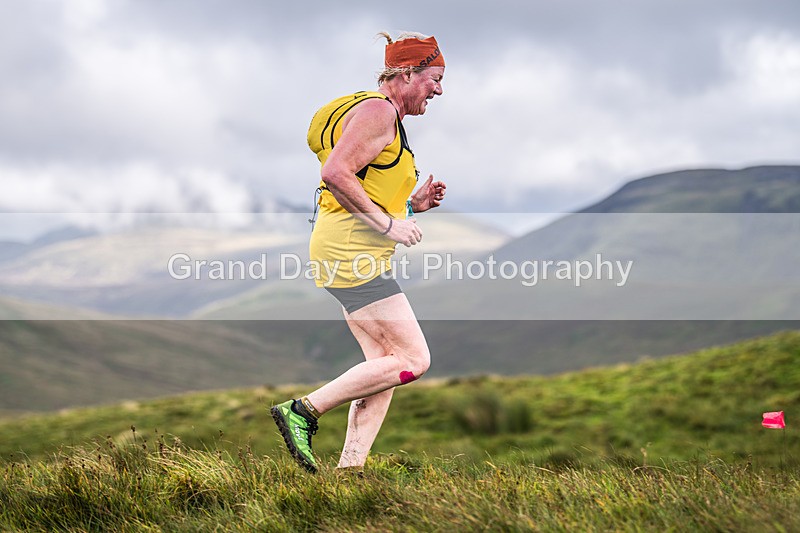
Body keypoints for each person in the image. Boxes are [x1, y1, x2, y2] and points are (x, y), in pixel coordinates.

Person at [271, 31, 447, 473]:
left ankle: (351, 470)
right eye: (435, 78)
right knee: (413, 360)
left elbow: (360, 186)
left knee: (384, 366)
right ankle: (303, 411)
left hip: (346, 251)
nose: (439, 90)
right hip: (352, 256)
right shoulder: (378, 111)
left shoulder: (382, 116)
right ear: (407, 73)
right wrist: (390, 225)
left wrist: (411, 206)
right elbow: (335, 173)